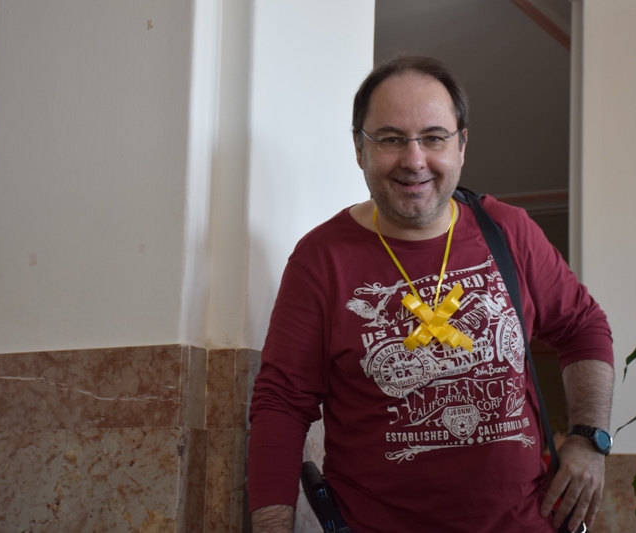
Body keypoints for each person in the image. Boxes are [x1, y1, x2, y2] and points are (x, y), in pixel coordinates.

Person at [247, 56, 614, 533]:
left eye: (434, 138)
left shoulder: (510, 231)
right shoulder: (321, 259)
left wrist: (588, 438)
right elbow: (281, 403)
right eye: (391, 139)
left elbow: (583, 327)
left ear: (461, 145)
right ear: (359, 148)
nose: (414, 160)